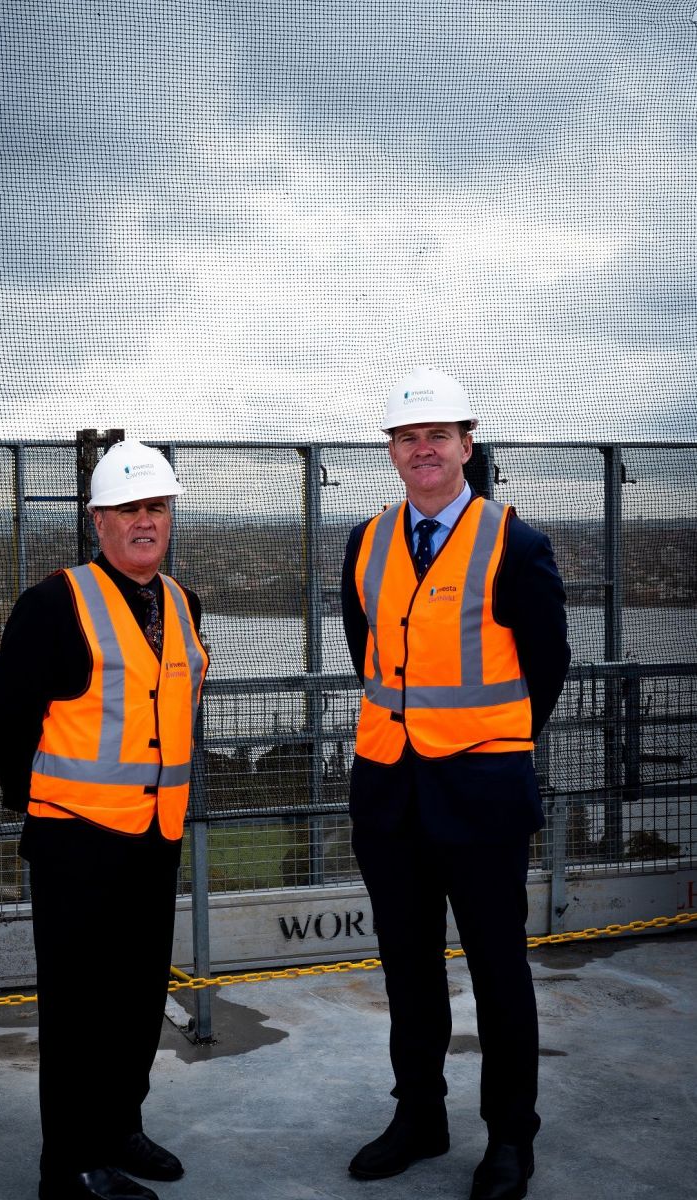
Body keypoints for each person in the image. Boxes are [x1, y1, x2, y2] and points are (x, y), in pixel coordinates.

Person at [341, 367, 570, 1200]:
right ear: (393, 453)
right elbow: (368, 651)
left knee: (498, 970)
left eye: (438, 435)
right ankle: (420, 1116)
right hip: (390, 796)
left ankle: (511, 1136)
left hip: (481, 795)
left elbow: (547, 665)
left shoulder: (516, 542)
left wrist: (490, 740)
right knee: (407, 966)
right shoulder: (365, 542)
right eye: (407, 437)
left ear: (467, 446)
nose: (422, 449)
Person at [0, 439, 209, 1200]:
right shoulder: (53, 604)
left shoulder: (181, 601)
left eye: (155, 508)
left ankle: (120, 1130)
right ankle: (69, 1166)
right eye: (126, 510)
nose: (143, 522)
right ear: (97, 521)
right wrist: (45, 806)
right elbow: (5, 720)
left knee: (139, 998)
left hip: (154, 836)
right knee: (78, 1013)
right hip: (76, 841)